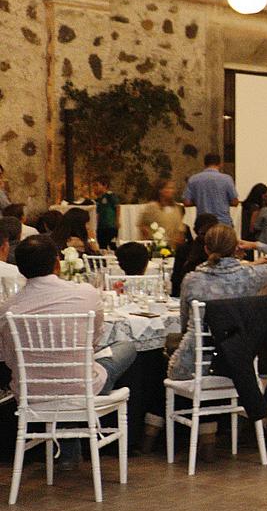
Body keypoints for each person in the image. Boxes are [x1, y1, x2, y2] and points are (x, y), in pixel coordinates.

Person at [0, 236, 140, 466]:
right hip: (81, 386)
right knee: (126, 346)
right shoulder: (85, 294)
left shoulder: (8, 309)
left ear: (21, 269)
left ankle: (69, 451)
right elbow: (94, 340)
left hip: (32, 392)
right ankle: (90, 432)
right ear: (57, 263)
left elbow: (6, 356)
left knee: (69, 372)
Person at [167, 224, 267, 380]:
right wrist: (256, 245)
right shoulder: (251, 276)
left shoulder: (191, 280)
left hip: (195, 364)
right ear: (236, 248)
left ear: (206, 249)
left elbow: (185, 322)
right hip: (238, 362)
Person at [184, 153, 239, 227]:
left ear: (204, 164)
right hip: (222, 222)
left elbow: (187, 202)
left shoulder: (193, 179)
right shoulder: (227, 179)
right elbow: (235, 202)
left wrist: (199, 201)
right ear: (220, 164)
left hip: (203, 223)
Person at [138, 180, 186, 244]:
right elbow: (142, 225)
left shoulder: (176, 208)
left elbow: (180, 228)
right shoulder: (152, 207)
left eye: (172, 188)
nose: (172, 191)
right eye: (168, 188)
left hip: (172, 245)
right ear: (160, 190)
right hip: (156, 245)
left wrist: (179, 236)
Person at [90, 176, 120, 248]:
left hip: (110, 225)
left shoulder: (110, 196)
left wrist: (117, 221)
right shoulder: (98, 199)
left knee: (112, 245)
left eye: (97, 185)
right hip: (101, 226)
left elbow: (117, 207)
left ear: (105, 185)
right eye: (93, 186)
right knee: (102, 246)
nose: (95, 188)